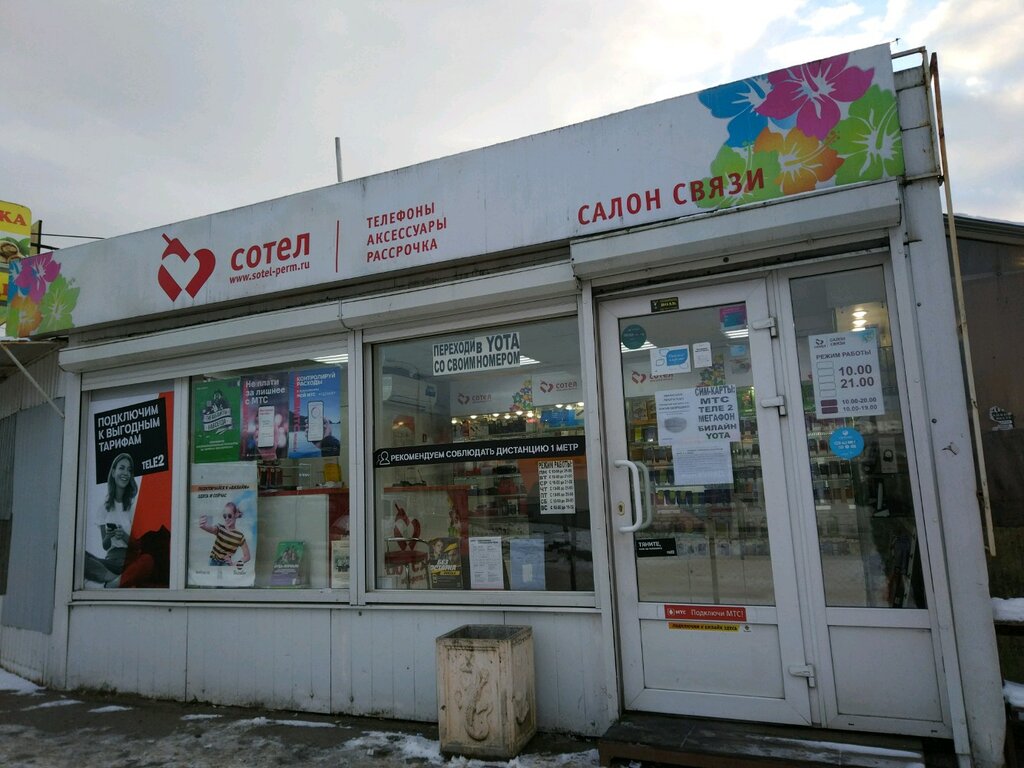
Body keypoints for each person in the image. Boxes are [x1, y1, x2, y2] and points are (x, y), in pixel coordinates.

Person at [84, 453, 140, 588]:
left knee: (148, 560)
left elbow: (138, 545)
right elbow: (105, 546)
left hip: (130, 560)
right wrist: (109, 536)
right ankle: (114, 579)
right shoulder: (104, 508)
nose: (126, 473)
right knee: (79, 557)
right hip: (111, 562)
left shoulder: (134, 507)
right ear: (113, 472)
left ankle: (114, 581)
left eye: (129, 470)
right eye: (122, 468)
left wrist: (124, 536)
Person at [199, 502, 251, 568]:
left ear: (235, 515)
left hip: (225, 565)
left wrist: (234, 564)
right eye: (224, 516)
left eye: (229, 515)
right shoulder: (220, 528)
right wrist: (203, 526)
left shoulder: (240, 536)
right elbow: (212, 529)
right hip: (213, 562)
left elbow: (247, 556)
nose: (226, 518)